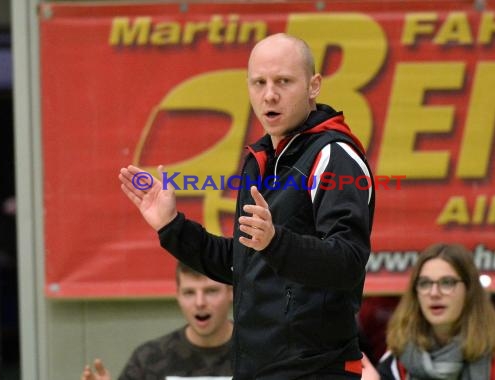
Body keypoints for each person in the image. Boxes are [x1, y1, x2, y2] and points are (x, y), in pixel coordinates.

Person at [119, 33, 374, 379]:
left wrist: (275, 242)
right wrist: (172, 227)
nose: (269, 94)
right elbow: (243, 263)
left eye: (284, 81)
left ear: (314, 86)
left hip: (317, 369)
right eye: (259, 82)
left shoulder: (334, 155)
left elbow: (348, 262)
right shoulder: (260, 159)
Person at [359, 243, 495, 380]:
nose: (434, 293)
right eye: (425, 283)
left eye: (447, 283)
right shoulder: (397, 360)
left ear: (469, 290)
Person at [81, 262, 233, 380]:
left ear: (231, 292)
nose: (200, 302)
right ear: (178, 296)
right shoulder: (149, 359)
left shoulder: (256, 353)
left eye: (211, 291)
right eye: (189, 293)